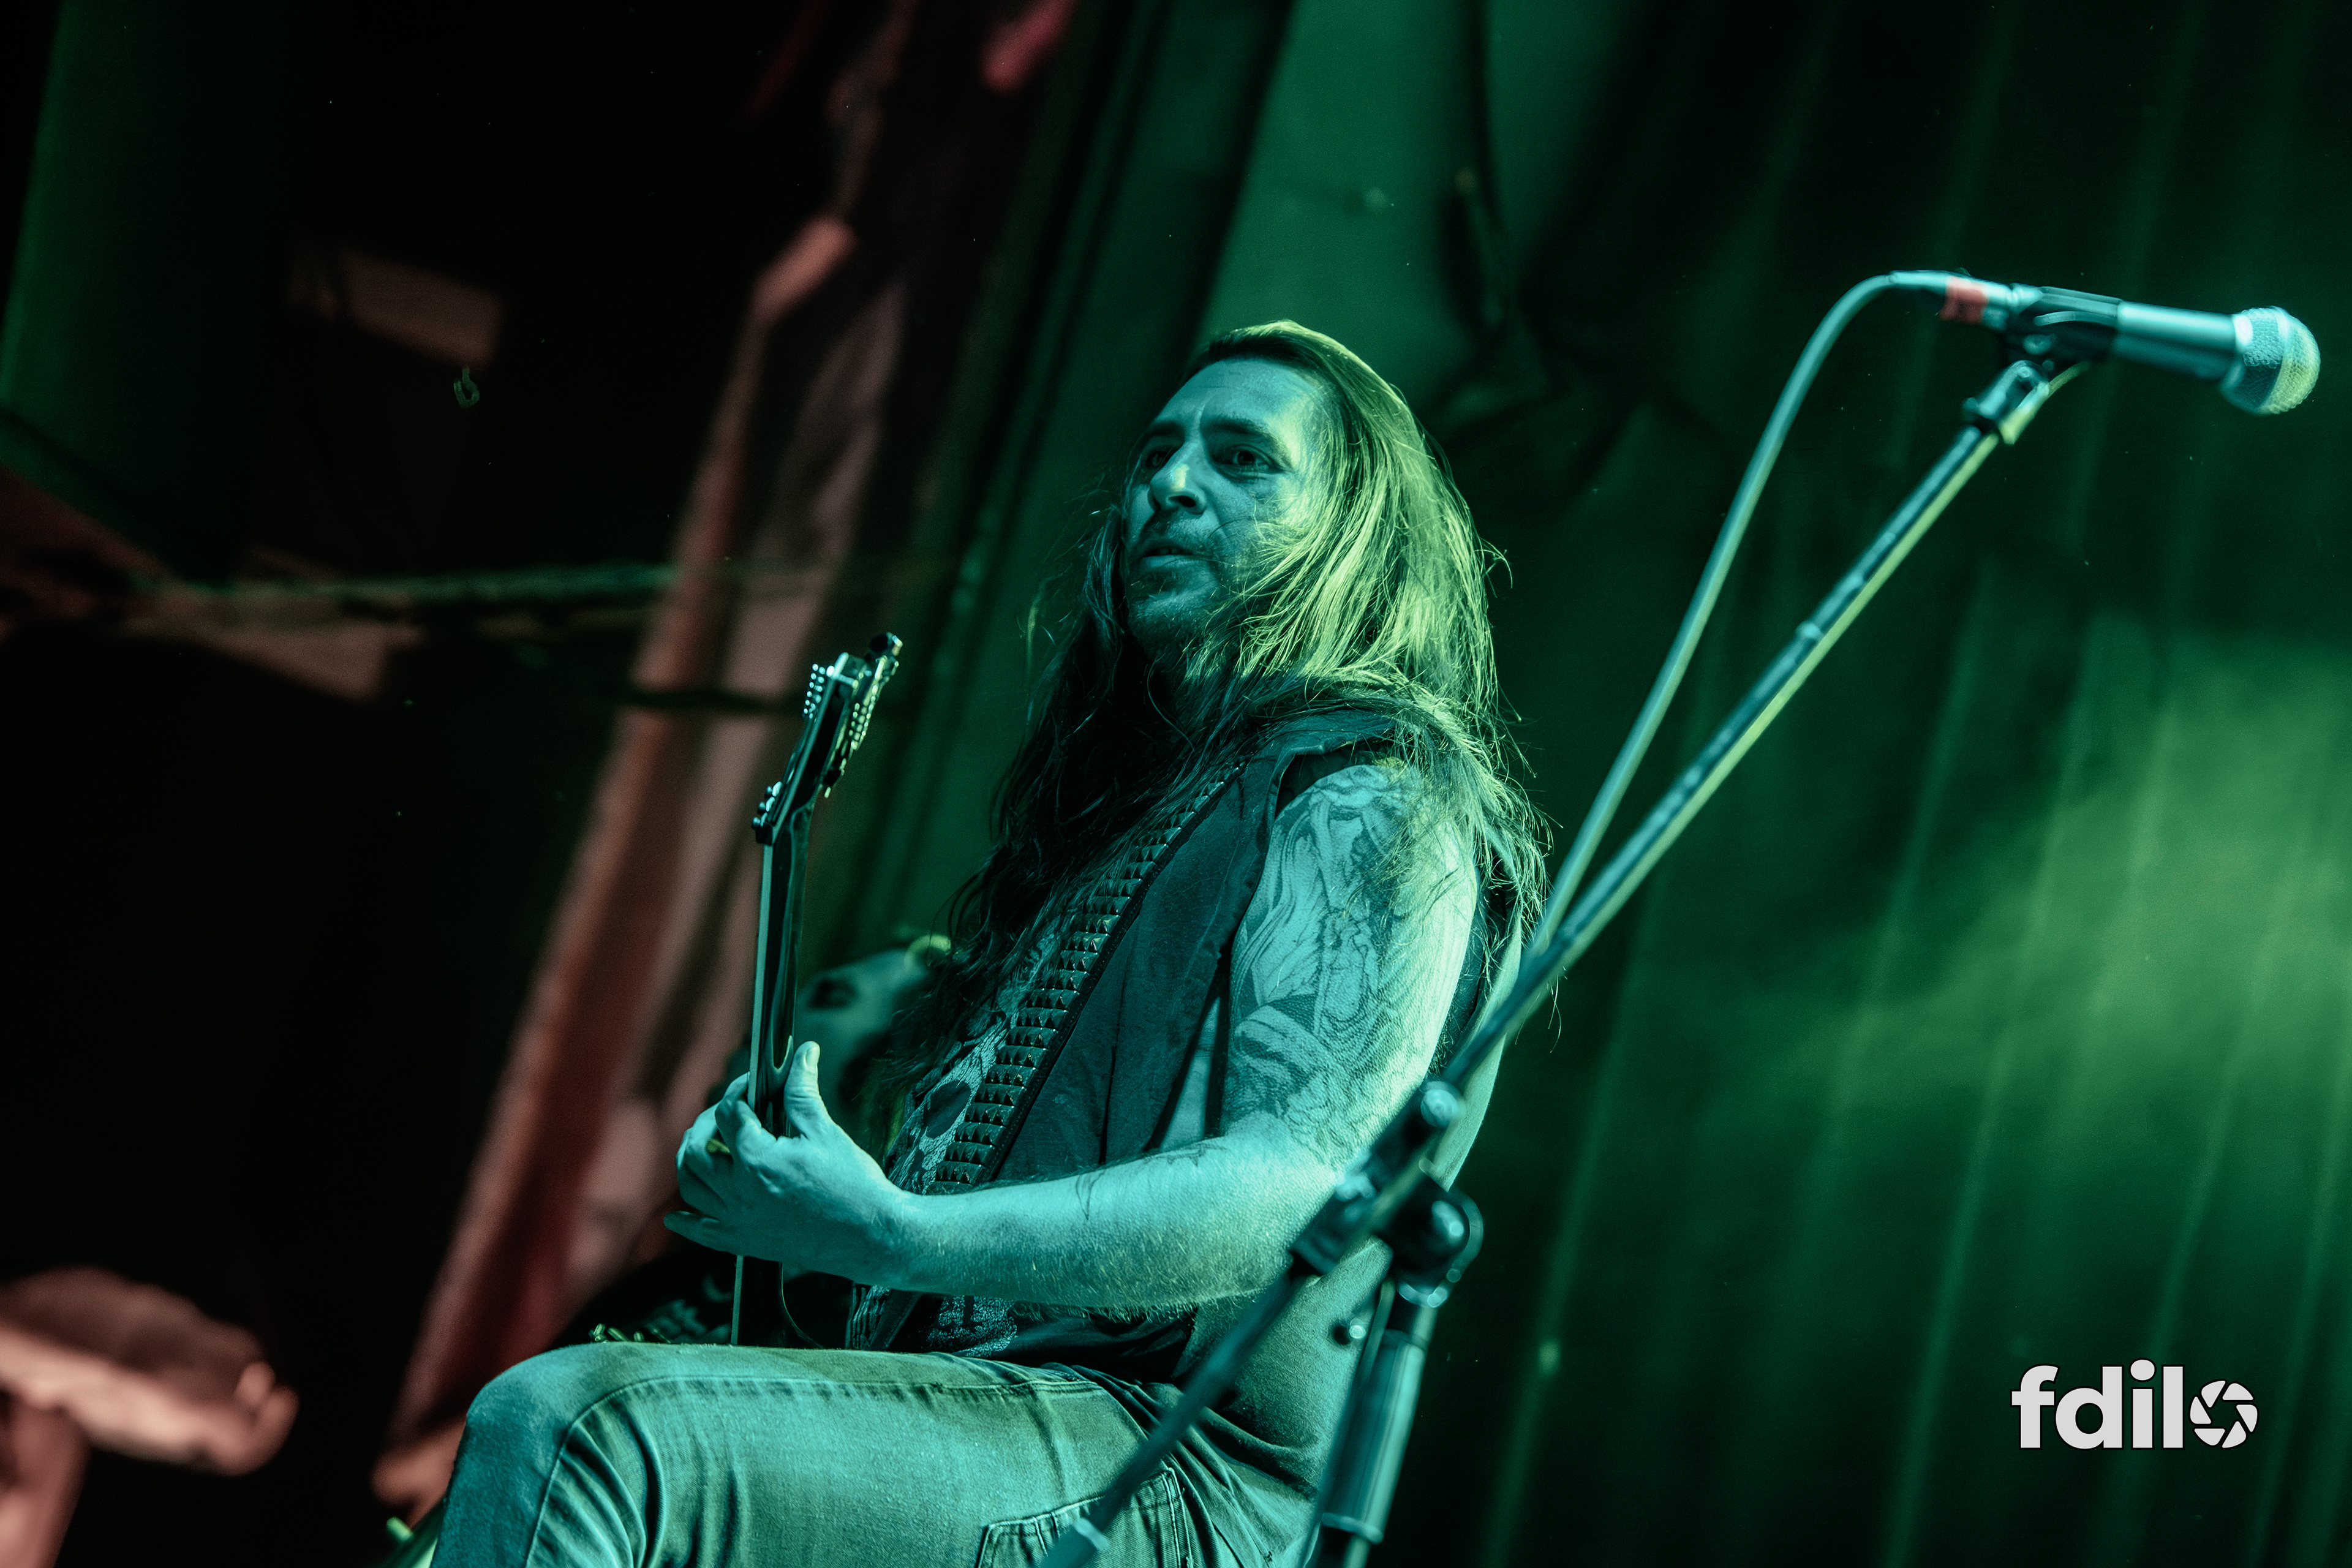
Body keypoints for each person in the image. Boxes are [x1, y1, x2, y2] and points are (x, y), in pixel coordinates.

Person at [435, 322, 1545, 1567]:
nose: (1173, 484)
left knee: (578, 1430)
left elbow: (1302, 1184)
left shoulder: (1373, 787)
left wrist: (889, 1230)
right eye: (1158, 453)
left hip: (1162, 1471)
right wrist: (807, 1212)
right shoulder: (1147, 820)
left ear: (1356, 528)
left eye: (1245, 458)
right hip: (1005, 1422)